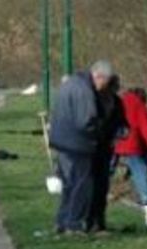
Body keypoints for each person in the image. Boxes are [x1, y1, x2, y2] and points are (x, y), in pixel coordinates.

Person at [49, 61, 115, 235]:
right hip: (77, 144)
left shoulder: (70, 83)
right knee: (82, 185)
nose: (102, 88)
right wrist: (100, 132)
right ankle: (74, 223)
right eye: (104, 84)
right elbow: (85, 121)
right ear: (99, 76)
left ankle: (62, 222)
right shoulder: (85, 91)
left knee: (69, 185)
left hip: (62, 141)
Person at [89, 75, 127, 232]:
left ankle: (99, 221)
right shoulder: (93, 101)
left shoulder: (117, 103)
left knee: (102, 186)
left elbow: (123, 124)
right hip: (92, 148)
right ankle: (89, 221)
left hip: (106, 149)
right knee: (91, 186)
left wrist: (120, 134)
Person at [114, 87, 147, 205]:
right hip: (130, 142)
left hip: (114, 140)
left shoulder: (120, 100)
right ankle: (146, 197)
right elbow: (144, 123)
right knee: (140, 170)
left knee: (106, 168)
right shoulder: (138, 104)